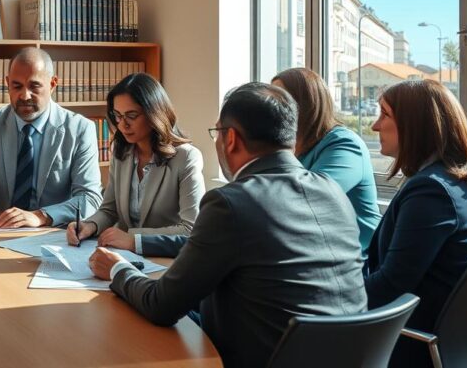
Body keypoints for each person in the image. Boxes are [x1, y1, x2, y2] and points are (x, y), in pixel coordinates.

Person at [89, 82, 366, 368]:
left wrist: (117, 268)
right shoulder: (332, 190)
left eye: (217, 132)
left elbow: (161, 307)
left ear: (230, 138)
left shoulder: (230, 203)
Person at [367, 79, 467, 367]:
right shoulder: (455, 182)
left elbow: (391, 286)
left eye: (385, 115)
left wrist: (333, 297)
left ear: (416, 124)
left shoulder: (432, 191)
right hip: (445, 344)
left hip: (412, 345)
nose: (375, 126)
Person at [0, 48, 102, 228]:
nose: (24, 95)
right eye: (17, 86)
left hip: (55, 234)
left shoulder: (79, 129)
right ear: (7, 84)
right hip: (0, 230)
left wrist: (41, 216)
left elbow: (90, 198)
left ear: (53, 84)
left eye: (34, 86)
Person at [66, 73, 205, 253]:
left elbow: (191, 230)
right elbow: (109, 210)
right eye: (117, 115)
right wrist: (89, 225)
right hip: (123, 255)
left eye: (131, 115)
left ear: (154, 114)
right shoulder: (121, 152)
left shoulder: (186, 158)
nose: (123, 125)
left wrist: (134, 239)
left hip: (166, 261)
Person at [272, 67, 381, 251]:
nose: (271, 107)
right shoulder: (290, 146)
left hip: (355, 264)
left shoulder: (345, 144)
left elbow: (307, 199)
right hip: (315, 252)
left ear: (305, 104)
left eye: (280, 100)